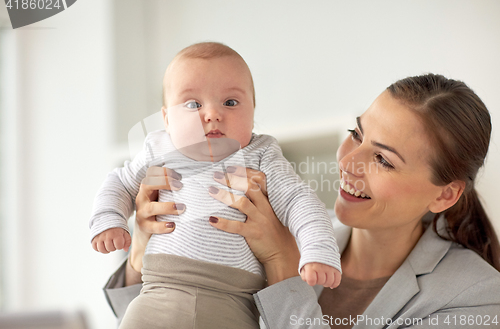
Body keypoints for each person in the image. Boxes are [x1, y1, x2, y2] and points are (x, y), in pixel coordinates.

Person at [103, 73, 500, 328]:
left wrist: (280, 264)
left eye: (382, 159)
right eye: (357, 133)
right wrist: (143, 248)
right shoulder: (284, 225)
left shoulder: (477, 299)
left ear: (444, 194)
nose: (348, 162)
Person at [89, 42, 342, 329]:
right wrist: (110, 218)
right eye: (193, 104)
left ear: (253, 112)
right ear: (166, 119)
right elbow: (118, 182)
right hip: (158, 294)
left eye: (230, 102)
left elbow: (300, 201)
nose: (212, 114)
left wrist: (317, 250)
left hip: (234, 303)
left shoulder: (262, 154)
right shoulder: (157, 148)